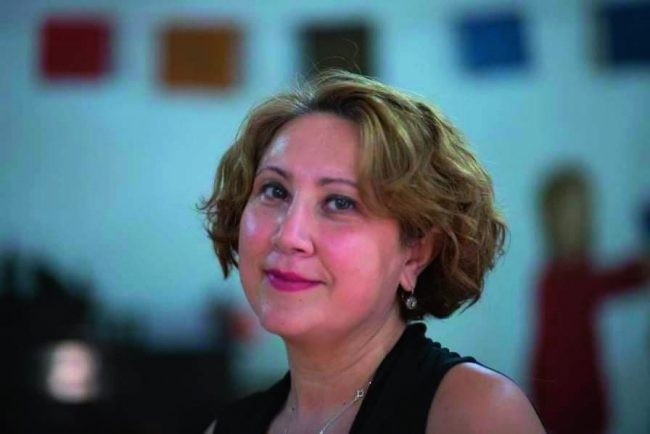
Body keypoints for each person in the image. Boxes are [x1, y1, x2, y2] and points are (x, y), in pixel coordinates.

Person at [200, 70, 545, 433]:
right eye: (275, 191)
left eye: (340, 202)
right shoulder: (225, 429)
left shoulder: (477, 415)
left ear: (415, 254)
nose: (289, 236)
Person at [531, 167, 649, 434]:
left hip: (582, 400)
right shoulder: (556, 280)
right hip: (561, 404)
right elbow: (620, 279)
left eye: (583, 214)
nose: (579, 224)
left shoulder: (568, 275)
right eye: (569, 216)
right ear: (550, 222)